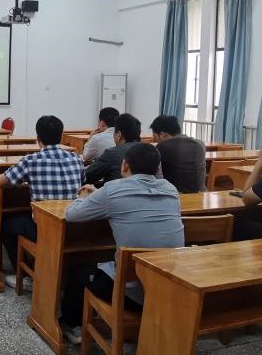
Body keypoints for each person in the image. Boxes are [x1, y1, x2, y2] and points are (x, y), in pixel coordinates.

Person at [59, 143, 184, 344]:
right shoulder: (171, 189)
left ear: (124, 165)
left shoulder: (112, 190)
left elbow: (72, 215)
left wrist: (84, 196)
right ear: (158, 168)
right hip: (168, 287)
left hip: (131, 294)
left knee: (76, 270)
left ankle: (71, 325)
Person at [0, 115, 84, 289]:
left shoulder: (31, 161)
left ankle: (27, 275)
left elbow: (0, 181)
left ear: (38, 138)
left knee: (6, 224)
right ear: (61, 136)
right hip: (73, 227)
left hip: (45, 229)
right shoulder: (76, 159)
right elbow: (82, 183)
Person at [150, 115, 207, 193]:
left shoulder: (162, 147)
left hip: (174, 195)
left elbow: (156, 176)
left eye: (155, 136)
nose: (154, 140)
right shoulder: (200, 144)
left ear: (162, 135)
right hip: (200, 194)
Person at [84, 113, 143, 186]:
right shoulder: (150, 151)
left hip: (116, 191)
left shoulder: (112, 153)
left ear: (119, 135)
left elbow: (86, 176)